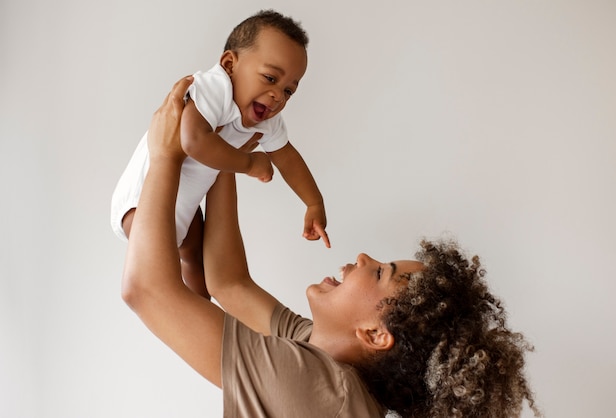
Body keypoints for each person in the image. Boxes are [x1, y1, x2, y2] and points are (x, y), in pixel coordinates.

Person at [122, 76, 541, 417]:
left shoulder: (321, 389)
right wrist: (227, 150)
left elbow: (146, 290)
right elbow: (229, 283)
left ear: (375, 334)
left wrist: (165, 156)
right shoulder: (331, 359)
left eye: (379, 272)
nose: (362, 258)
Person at [112, 10, 329, 298]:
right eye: (269, 77)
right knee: (160, 281)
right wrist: (250, 163)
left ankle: (201, 308)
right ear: (229, 64)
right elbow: (194, 140)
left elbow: (287, 157)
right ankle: (183, 309)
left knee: (196, 259)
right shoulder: (214, 88)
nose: (277, 95)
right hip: (141, 203)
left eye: (289, 90)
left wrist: (314, 202)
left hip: (185, 211)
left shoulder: (267, 121)